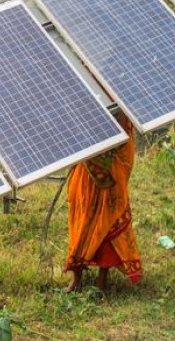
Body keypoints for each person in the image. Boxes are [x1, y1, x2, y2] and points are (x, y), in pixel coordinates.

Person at [64, 114, 142, 292]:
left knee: (107, 222)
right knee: (81, 222)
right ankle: (76, 279)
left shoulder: (119, 99)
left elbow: (121, 136)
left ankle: (102, 281)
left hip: (110, 169)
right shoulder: (83, 93)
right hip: (85, 167)